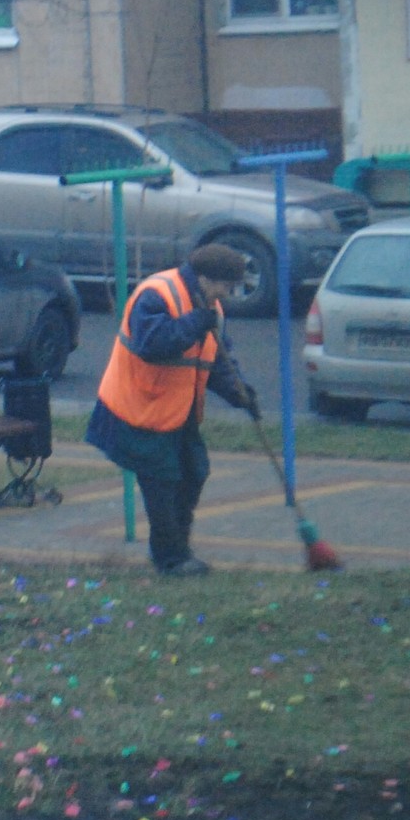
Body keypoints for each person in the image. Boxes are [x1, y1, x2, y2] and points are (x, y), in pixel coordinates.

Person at [85, 242, 261, 577]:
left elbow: (215, 360)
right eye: (226, 286)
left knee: (194, 472)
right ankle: (171, 558)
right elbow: (152, 344)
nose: (228, 294)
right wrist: (197, 321)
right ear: (207, 279)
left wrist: (240, 393)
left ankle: (179, 549)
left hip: (177, 413)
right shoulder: (156, 294)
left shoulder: (212, 310)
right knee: (162, 484)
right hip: (136, 410)